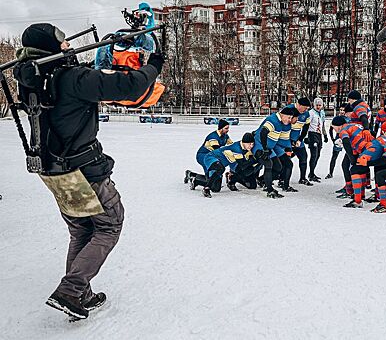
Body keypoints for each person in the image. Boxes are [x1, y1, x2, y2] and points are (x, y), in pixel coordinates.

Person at [12, 23, 163, 319]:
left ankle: (81, 295)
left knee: (82, 230)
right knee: (109, 225)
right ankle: (70, 290)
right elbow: (129, 86)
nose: (68, 45)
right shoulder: (71, 78)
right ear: (52, 46)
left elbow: (77, 81)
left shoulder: (32, 76)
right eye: (62, 41)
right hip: (83, 171)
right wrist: (155, 64)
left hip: (53, 169)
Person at [192, 133, 255, 197]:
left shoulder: (245, 148)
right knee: (220, 170)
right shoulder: (237, 149)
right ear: (244, 142)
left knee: (216, 188)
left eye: (252, 144)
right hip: (211, 158)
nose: (251, 146)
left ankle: (231, 180)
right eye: (249, 144)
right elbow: (242, 164)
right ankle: (205, 187)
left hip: (227, 161)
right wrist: (254, 160)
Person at [252, 107, 296, 198]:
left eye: (291, 118)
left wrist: (289, 149)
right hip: (259, 145)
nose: (290, 120)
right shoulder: (273, 120)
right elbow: (263, 132)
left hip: (269, 148)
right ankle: (269, 190)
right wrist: (264, 149)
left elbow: (284, 140)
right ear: (282, 115)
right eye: (289, 118)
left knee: (278, 167)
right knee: (269, 164)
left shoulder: (282, 123)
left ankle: (263, 181)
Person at [331, 116, 374, 199]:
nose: (334, 130)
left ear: (339, 126)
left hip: (366, 149)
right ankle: (354, 190)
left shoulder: (343, 130)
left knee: (355, 169)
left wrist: (352, 159)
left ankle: (356, 195)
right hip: (368, 147)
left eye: (334, 128)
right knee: (346, 165)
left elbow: (346, 142)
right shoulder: (352, 125)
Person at [185, 119, 233, 186]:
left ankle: (191, 174)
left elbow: (231, 145)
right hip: (203, 156)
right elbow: (217, 149)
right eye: (226, 128)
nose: (228, 130)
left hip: (212, 156)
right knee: (211, 180)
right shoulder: (213, 136)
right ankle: (194, 180)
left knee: (214, 182)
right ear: (221, 128)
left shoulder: (225, 136)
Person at [288, 97, 313, 186]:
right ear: (299, 105)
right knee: (285, 159)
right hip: (286, 139)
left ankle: (302, 178)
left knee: (304, 157)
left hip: (297, 138)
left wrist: (300, 139)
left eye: (307, 108)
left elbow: (305, 129)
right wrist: (289, 141)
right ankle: (282, 180)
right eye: (305, 108)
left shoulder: (306, 114)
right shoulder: (288, 109)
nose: (306, 110)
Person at [307, 97, 329, 182]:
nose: (318, 107)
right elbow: (307, 125)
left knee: (318, 155)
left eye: (320, 105)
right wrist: (306, 137)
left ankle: (312, 173)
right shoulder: (311, 113)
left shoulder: (322, 113)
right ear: (314, 105)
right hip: (312, 134)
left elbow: (323, 125)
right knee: (314, 154)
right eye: (317, 105)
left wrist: (325, 135)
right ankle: (311, 174)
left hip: (319, 135)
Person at [326, 104, 347, 179]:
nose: (342, 111)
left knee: (349, 156)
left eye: (343, 110)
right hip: (338, 138)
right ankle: (330, 173)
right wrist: (332, 139)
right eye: (340, 110)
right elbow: (330, 129)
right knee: (334, 156)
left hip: (347, 138)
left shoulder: (348, 119)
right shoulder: (336, 118)